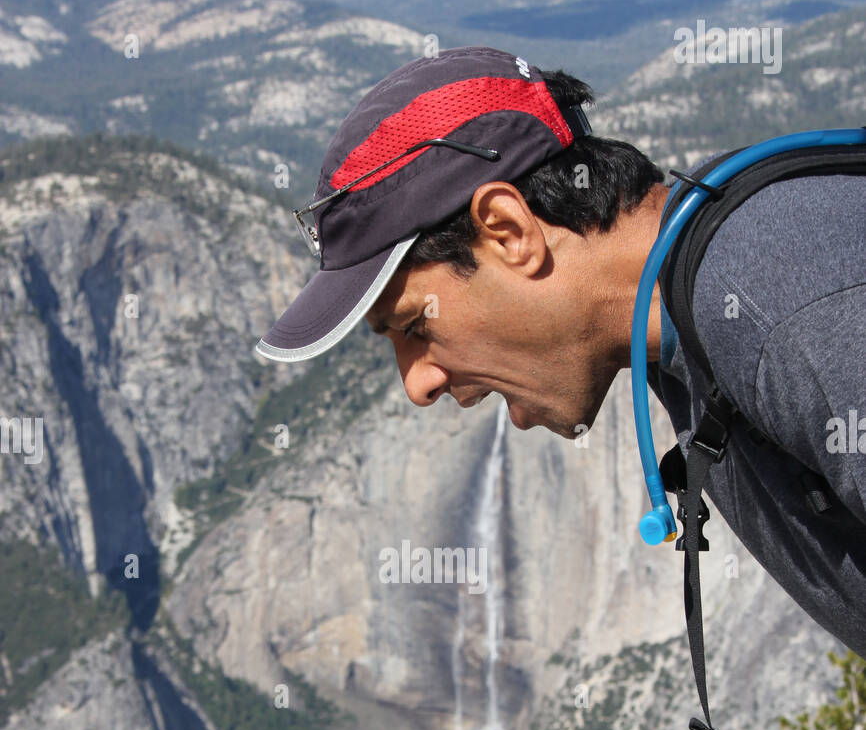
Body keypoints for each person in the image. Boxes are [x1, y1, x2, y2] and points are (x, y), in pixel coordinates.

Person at [255, 44, 866, 670]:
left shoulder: (793, 307)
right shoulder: (694, 311)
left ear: (509, 232)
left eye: (414, 324)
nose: (418, 384)